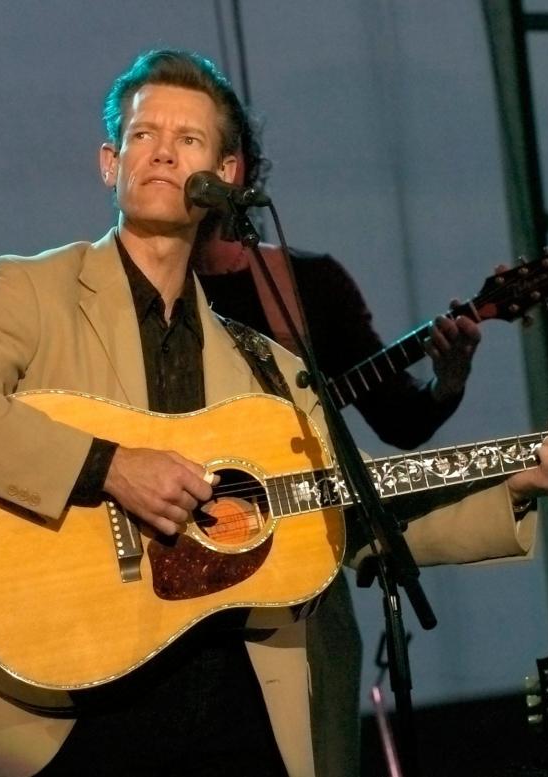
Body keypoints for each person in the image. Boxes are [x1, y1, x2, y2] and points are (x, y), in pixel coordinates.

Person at [0, 48, 548, 777]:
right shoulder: (32, 290)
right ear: (110, 161)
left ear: (226, 173)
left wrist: (518, 482)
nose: (162, 152)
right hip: (69, 702)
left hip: (237, 704)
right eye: (142, 135)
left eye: (188, 139)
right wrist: (109, 466)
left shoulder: (267, 364)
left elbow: (346, 518)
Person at [193, 117, 482, 776]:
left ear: (235, 167)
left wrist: (449, 378)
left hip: (302, 591)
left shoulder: (306, 284)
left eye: (196, 146)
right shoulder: (139, 298)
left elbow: (398, 419)